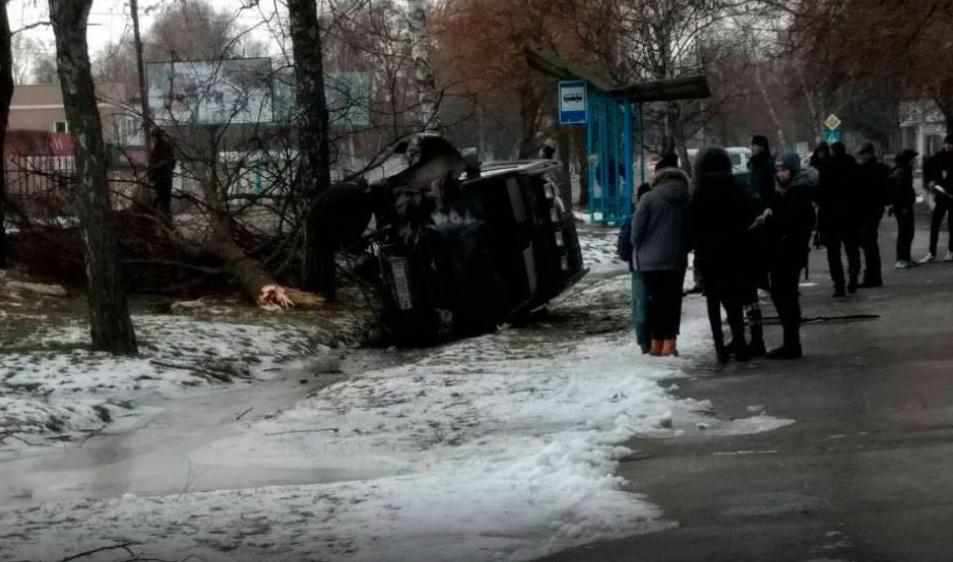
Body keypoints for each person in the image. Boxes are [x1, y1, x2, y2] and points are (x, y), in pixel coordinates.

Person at [751, 153, 816, 359]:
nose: (780, 173)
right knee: (783, 295)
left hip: (789, 252)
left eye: (784, 169)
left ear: (793, 170)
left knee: (784, 296)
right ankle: (790, 342)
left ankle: (791, 344)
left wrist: (769, 219)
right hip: (784, 251)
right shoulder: (787, 191)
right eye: (778, 170)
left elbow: (789, 221)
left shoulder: (799, 192)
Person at [692, 148, 754, 363]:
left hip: (708, 256)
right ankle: (740, 345)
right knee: (733, 302)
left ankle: (719, 348)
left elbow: (692, 225)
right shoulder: (737, 189)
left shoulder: (698, 193)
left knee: (713, 302)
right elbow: (749, 216)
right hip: (735, 253)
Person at [632, 163, 692, 357]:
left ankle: (656, 344)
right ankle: (670, 343)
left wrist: (640, 247)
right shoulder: (686, 199)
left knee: (655, 302)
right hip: (676, 259)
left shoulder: (649, 198)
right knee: (673, 301)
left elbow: (636, 232)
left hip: (650, 261)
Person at [817, 141, 861, 296]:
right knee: (852, 249)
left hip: (830, 216)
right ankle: (854, 276)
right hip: (850, 215)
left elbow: (820, 194)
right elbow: (859, 192)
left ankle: (839, 285)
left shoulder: (826, 166)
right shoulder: (853, 166)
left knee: (833, 253)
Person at [618, 183, 653, 353]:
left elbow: (623, 248)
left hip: (638, 266)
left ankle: (644, 343)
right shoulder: (659, 217)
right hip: (660, 266)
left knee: (640, 306)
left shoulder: (631, 219)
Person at [855, 143, 890, 288]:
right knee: (869, 242)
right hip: (875, 209)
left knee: (868, 243)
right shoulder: (881, 168)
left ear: (869, 153)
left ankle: (872, 277)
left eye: (863, 154)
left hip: (869, 209)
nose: (861, 157)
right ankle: (873, 276)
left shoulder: (866, 169)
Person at [919, 135, 953, 263]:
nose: (948, 146)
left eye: (951, 144)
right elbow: (927, 169)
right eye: (947, 143)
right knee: (935, 224)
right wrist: (930, 181)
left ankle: (951, 251)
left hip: (951, 196)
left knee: (952, 224)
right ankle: (931, 252)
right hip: (941, 195)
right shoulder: (937, 157)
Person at [888, 149, 919, 269]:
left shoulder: (903, 170)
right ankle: (901, 259)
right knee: (904, 233)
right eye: (913, 158)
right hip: (903, 207)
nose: (915, 161)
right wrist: (904, 206)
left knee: (908, 233)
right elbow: (899, 191)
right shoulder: (902, 171)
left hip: (904, 206)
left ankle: (906, 258)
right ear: (908, 159)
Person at [148, 128, 176, 225]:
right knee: (163, 202)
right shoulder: (159, 147)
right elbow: (172, 162)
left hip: (162, 179)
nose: (152, 139)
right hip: (163, 178)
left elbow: (170, 162)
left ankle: (165, 221)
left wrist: (156, 169)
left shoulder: (163, 147)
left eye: (153, 137)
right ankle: (165, 221)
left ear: (157, 137)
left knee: (163, 201)